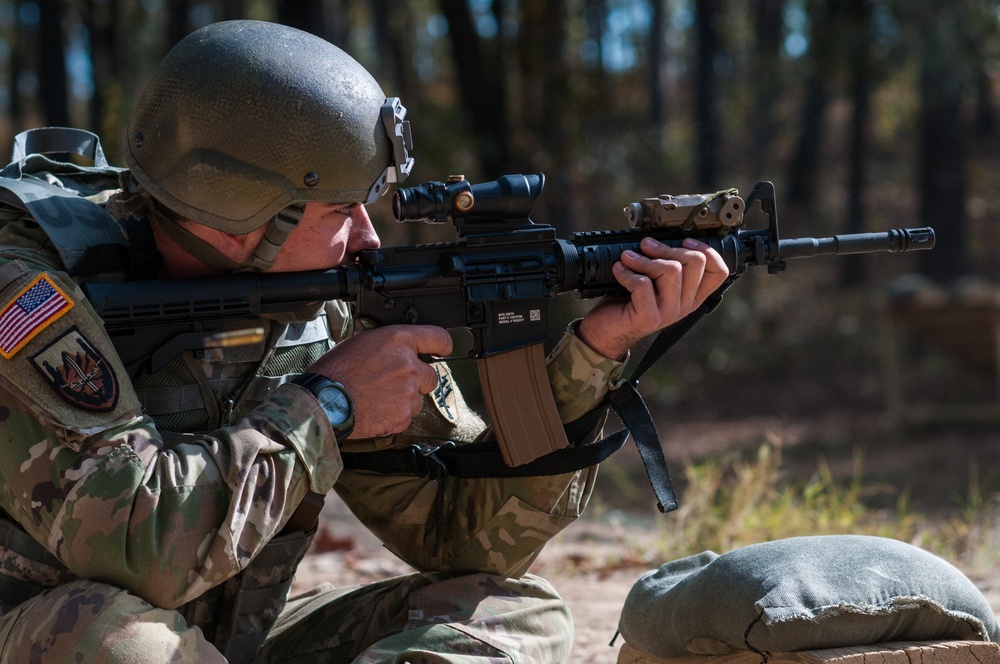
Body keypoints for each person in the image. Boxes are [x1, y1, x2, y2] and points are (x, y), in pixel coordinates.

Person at [0, 19, 728, 663]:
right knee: (102, 634)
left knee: (509, 610)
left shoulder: (328, 298)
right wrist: (330, 406)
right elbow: (138, 545)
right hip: (53, 635)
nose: (369, 237)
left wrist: (594, 352)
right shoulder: (27, 291)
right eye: (342, 209)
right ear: (238, 213)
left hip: (228, 637)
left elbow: (468, 540)